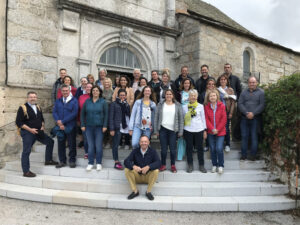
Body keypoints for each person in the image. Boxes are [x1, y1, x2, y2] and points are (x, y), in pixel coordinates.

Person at [16, 92, 58, 177]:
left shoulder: (38, 107)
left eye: (34, 97)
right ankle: (26, 171)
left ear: (36, 98)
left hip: (38, 132)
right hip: (28, 133)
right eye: (31, 97)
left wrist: (42, 126)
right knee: (26, 151)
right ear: (27, 98)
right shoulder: (22, 108)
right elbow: (19, 122)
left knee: (50, 142)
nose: (33, 98)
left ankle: (48, 160)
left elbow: (41, 118)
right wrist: (30, 129)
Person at [154, 89, 183, 173]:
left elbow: (181, 119)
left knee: (173, 149)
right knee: (163, 149)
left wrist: (180, 131)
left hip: (173, 131)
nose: (169, 96)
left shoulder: (177, 105)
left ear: (173, 95)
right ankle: (163, 165)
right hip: (163, 129)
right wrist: (156, 130)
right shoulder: (160, 104)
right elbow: (156, 118)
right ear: (165, 95)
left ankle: (173, 165)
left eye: (170, 94)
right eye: (167, 94)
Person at [124, 135, 161, 200]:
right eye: (142, 141)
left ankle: (148, 192)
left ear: (149, 142)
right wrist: (133, 166)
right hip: (137, 176)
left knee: (156, 171)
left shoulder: (153, 151)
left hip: (148, 177)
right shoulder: (135, 151)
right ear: (139, 142)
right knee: (127, 170)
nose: (144, 143)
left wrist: (149, 167)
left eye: (145, 141)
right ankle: (135, 191)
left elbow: (158, 162)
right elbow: (126, 161)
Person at [81, 86, 108, 171]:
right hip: (88, 126)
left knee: (98, 145)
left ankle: (99, 163)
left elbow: (106, 115)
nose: (95, 92)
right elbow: (82, 114)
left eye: (97, 91)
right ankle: (90, 163)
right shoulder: (87, 101)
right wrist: (82, 125)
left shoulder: (103, 102)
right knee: (91, 146)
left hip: (99, 127)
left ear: (99, 92)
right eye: (94, 90)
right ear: (91, 92)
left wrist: (105, 125)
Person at [238, 76, 265, 161]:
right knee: (244, 136)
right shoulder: (243, 92)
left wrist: (253, 113)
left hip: (256, 118)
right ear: (248, 83)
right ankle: (243, 155)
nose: (252, 84)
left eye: (253, 82)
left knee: (254, 136)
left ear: (256, 83)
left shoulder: (261, 92)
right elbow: (240, 104)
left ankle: (253, 155)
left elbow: (262, 105)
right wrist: (246, 113)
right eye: (250, 82)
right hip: (244, 118)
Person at [53, 84, 78, 168]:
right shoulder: (58, 101)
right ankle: (62, 161)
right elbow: (54, 112)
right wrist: (58, 122)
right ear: (61, 91)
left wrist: (63, 121)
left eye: (66, 90)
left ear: (69, 91)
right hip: (60, 126)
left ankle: (72, 160)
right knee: (61, 144)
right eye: (63, 91)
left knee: (71, 143)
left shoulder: (74, 100)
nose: (65, 92)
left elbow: (74, 113)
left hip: (70, 126)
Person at [182, 89, 207, 173]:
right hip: (188, 130)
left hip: (199, 129)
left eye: (194, 95)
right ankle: (190, 165)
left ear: (197, 97)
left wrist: (204, 130)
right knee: (189, 148)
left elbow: (203, 118)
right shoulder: (184, 107)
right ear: (188, 97)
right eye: (191, 95)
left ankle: (201, 165)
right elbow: (182, 119)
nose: (193, 97)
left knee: (200, 148)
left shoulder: (200, 106)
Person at [204, 90, 227, 174]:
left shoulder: (222, 106)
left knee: (219, 148)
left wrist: (217, 129)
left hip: (220, 131)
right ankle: (214, 165)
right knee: (212, 148)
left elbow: (224, 119)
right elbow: (206, 119)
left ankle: (221, 165)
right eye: (211, 96)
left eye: (214, 95)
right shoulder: (206, 107)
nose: (212, 97)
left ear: (217, 96)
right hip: (211, 131)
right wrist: (212, 129)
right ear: (208, 98)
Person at [109, 89, 131, 170]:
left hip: (126, 126)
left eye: (124, 95)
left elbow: (128, 115)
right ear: (118, 95)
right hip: (117, 126)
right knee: (116, 144)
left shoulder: (126, 104)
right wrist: (111, 129)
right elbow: (111, 117)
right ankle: (116, 161)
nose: (122, 96)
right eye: (121, 95)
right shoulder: (114, 104)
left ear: (126, 96)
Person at [216, 74, 236, 152]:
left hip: (227, 111)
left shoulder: (230, 90)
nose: (223, 81)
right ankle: (220, 143)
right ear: (219, 81)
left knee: (226, 128)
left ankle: (227, 144)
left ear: (227, 81)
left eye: (224, 79)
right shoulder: (217, 90)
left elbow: (233, 102)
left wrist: (231, 113)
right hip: (219, 112)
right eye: (221, 79)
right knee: (219, 128)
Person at [78, 83, 93, 159]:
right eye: (87, 87)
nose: (89, 88)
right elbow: (79, 109)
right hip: (84, 121)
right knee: (86, 138)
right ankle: (87, 152)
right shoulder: (81, 97)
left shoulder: (96, 97)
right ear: (85, 88)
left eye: (90, 87)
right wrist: (78, 120)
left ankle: (93, 152)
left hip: (94, 121)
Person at [102, 77, 114, 148]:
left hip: (110, 110)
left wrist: (104, 102)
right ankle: (104, 141)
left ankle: (109, 142)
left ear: (110, 83)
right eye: (105, 82)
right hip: (102, 110)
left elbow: (113, 101)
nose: (106, 84)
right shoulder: (101, 91)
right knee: (104, 125)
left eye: (108, 82)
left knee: (109, 126)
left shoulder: (113, 91)